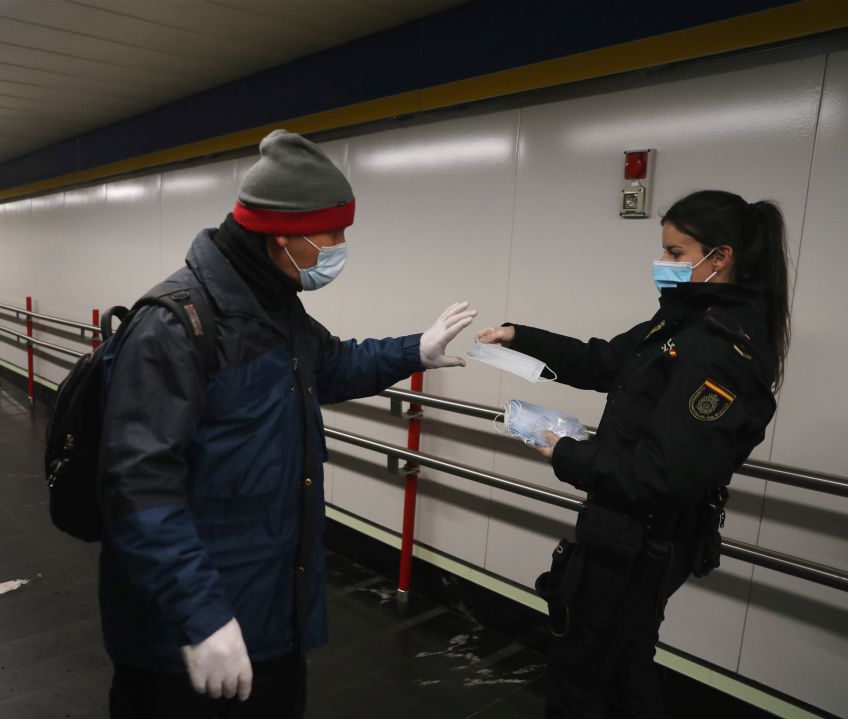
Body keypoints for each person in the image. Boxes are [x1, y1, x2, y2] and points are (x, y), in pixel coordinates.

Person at [97, 129, 477, 718]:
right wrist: (202, 618)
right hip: (187, 631)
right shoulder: (176, 325)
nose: (340, 246)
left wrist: (414, 350)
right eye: (333, 233)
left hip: (269, 609)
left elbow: (331, 366)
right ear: (282, 233)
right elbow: (138, 487)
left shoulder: (274, 303)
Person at [476, 189, 789, 718]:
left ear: (721, 258)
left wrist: (565, 452)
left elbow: (661, 475)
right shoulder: (682, 322)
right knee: (623, 669)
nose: (662, 265)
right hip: (621, 532)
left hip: (641, 542)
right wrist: (519, 337)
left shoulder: (719, 352)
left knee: (583, 676)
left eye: (675, 253)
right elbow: (604, 362)